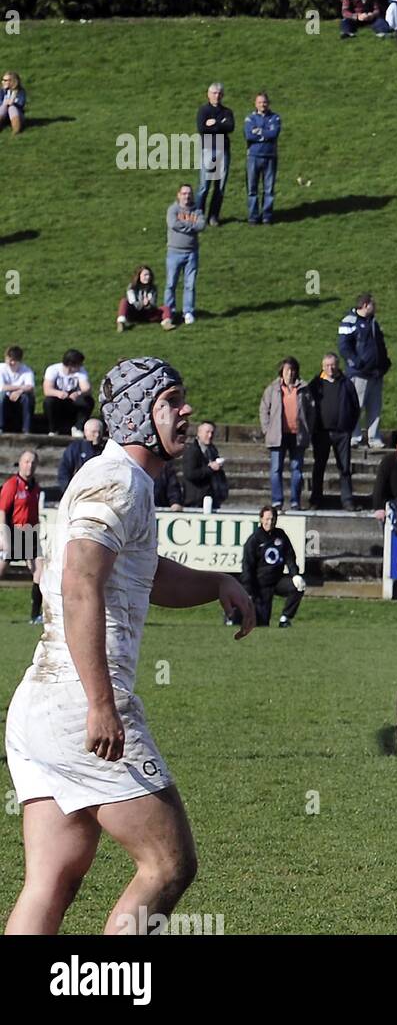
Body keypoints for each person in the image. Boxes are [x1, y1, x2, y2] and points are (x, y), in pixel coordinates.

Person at [2, 357, 254, 935]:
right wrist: (100, 702)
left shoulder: (119, 480)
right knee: (167, 864)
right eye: (172, 400)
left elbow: (143, 573)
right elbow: (81, 579)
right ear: (140, 413)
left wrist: (216, 583)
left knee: (51, 879)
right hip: (76, 702)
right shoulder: (118, 479)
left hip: (40, 706)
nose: (186, 410)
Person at [338, 293, 391, 450]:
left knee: (375, 408)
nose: (375, 307)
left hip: (376, 373)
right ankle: (354, 437)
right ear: (366, 305)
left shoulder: (373, 322)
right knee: (356, 406)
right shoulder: (349, 321)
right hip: (359, 374)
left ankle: (374, 438)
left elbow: (380, 344)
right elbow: (344, 347)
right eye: (373, 304)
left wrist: (384, 363)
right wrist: (357, 363)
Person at [307, 353, 360, 510]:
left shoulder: (346, 383)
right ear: (323, 366)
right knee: (319, 467)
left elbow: (355, 407)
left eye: (333, 365)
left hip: (342, 433)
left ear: (338, 365)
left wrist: (348, 427)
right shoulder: (315, 384)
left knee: (344, 468)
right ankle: (315, 500)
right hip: (321, 432)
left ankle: (347, 501)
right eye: (327, 365)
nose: (330, 368)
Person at [259, 357, 312, 510]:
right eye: (287, 370)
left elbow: (311, 410)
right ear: (281, 372)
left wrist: (308, 429)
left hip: (297, 435)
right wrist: (267, 429)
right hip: (278, 435)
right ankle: (277, 500)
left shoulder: (304, 388)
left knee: (297, 470)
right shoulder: (272, 388)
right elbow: (264, 409)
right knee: (276, 469)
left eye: (293, 370)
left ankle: (295, 501)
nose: (290, 373)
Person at [239, 506, 304, 629]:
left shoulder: (280, 535)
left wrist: (295, 574)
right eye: (267, 519)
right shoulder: (254, 540)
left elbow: (289, 556)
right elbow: (247, 566)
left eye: (273, 519)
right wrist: (248, 589)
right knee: (262, 624)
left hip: (278, 580)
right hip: (261, 584)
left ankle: (285, 618)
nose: (270, 522)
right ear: (261, 519)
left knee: (298, 587)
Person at [164, 182, 205, 328]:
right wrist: (191, 227)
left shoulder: (197, 211)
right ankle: (169, 312)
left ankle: (188, 312)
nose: (187, 196)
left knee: (190, 284)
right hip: (174, 252)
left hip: (191, 253)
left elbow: (201, 225)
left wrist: (186, 226)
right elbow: (173, 224)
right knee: (171, 284)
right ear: (178, 195)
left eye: (189, 193)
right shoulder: (173, 209)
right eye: (184, 193)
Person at [194, 82, 235, 227]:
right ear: (208, 94)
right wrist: (220, 125)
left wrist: (215, 123)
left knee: (220, 186)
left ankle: (213, 216)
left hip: (223, 151)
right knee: (204, 186)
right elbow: (202, 128)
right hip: (208, 150)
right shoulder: (203, 110)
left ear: (222, 95)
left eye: (219, 93)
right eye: (214, 93)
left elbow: (230, 127)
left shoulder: (227, 111)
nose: (216, 96)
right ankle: (198, 216)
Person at [0, 450, 41, 589]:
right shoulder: (12, 485)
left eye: (33, 462)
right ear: (20, 463)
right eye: (27, 462)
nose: (30, 465)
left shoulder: (36, 487)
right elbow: (2, 512)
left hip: (29, 534)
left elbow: (34, 513)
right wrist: (5, 539)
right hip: (13, 532)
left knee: (39, 573)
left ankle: (36, 609)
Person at [243, 91, 281, 225]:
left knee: (269, 189)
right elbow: (249, 135)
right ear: (255, 104)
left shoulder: (275, 117)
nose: (262, 105)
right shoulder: (250, 118)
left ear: (268, 103)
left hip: (270, 156)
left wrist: (259, 132)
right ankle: (253, 216)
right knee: (252, 189)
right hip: (253, 157)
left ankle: (267, 216)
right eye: (259, 102)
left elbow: (274, 134)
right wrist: (265, 135)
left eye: (264, 102)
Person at [43, 351, 94, 437]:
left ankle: (78, 428)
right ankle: (53, 430)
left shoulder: (81, 372)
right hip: (58, 399)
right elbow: (47, 390)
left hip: (73, 400)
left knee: (88, 401)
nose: (81, 366)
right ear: (71, 365)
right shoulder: (53, 369)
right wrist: (58, 393)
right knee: (49, 402)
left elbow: (87, 388)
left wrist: (78, 393)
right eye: (79, 364)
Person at [182, 421, 229, 509]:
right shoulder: (192, 451)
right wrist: (210, 469)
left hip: (211, 499)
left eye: (212, 433)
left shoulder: (212, 450)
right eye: (207, 432)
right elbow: (190, 474)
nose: (210, 435)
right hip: (195, 501)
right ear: (199, 433)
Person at [57, 419, 104, 492]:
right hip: (78, 491)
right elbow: (64, 471)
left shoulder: (106, 449)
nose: (97, 435)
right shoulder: (75, 448)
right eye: (94, 432)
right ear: (85, 432)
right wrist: (68, 491)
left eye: (99, 432)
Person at [116, 265, 167, 333]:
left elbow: (153, 304)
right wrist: (142, 303)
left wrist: (148, 305)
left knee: (165, 308)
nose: (148, 277)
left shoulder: (153, 288)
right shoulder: (131, 287)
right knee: (124, 301)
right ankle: (121, 323)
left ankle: (167, 323)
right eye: (145, 275)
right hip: (134, 313)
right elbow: (133, 303)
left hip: (147, 314)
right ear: (139, 276)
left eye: (149, 275)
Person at [1, 345, 36, 434]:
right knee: (1, 397)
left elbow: (30, 387)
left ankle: (26, 429)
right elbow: (2, 387)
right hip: (4, 395)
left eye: (13, 361)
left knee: (27, 398)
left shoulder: (27, 370)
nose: (10, 363)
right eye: (9, 359)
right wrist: (21, 387)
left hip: (20, 396)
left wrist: (19, 392)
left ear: (19, 361)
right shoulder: (1, 368)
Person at [0, 69, 26, 134]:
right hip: (4, 116)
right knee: (4, 106)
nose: (3, 82)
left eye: (5, 80)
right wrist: (6, 103)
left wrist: (13, 97)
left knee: (12, 107)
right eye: (3, 80)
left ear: (12, 81)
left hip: (17, 116)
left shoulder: (20, 92)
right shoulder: (2, 91)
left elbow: (20, 105)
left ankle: (16, 129)